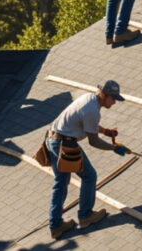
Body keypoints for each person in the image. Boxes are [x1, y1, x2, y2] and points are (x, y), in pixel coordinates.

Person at [45, 80, 128, 240]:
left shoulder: (89, 98)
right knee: (89, 176)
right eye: (113, 98)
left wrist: (105, 131)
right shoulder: (92, 111)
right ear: (103, 95)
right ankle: (86, 215)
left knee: (61, 182)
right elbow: (93, 141)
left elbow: (87, 124)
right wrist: (115, 148)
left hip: (53, 139)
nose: (115, 102)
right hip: (64, 144)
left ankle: (56, 225)